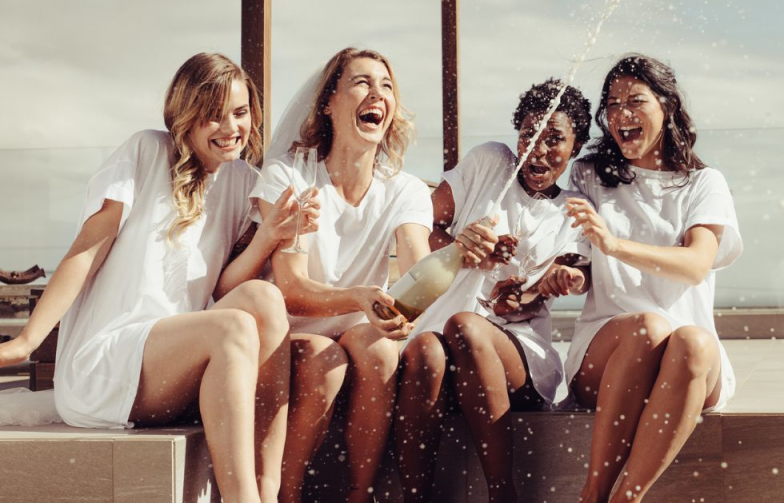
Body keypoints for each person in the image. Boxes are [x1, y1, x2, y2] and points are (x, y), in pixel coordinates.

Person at [0, 53, 308, 503]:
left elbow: (226, 287)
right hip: (106, 364)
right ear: (186, 117)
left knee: (263, 299)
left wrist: (271, 237)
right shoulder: (147, 150)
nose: (230, 128)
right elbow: (88, 248)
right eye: (213, 115)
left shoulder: (244, 180)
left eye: (239, 113)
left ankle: (270, 487)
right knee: (235, 325)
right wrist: (26, 342)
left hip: (173, 367)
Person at [395, 79, 593, 503]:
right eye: (528, 134)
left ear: (575, 148)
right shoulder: (491, 163)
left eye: (554, 139)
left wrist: (540, 287)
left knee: (466, 327)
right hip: (443, 339)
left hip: (515, 355)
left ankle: (503, 492)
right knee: (423, 352)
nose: (537, 150)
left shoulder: (573, 209)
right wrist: (460, 248)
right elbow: (420, 220)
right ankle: (414, 496)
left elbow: (562, 279)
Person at [250, 47, 433, 503]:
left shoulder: (405, 189)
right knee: (323, 361)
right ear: (328, 102)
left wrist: (423, 291)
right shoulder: (289, 174)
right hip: (290, 329)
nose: (378, 94)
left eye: (387, 86)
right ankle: (285, 495)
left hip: (359, 321)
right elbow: (290, 290)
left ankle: (360, 494)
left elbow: (416, 264)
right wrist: (360, 298)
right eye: (362, 82)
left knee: (380, 354)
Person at [564, 54, 743, 503]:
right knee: (648, 326)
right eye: (612, 103)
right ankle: (594, 492)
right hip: (608, 353)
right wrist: (565, 274)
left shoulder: (703, 183)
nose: (621, 113)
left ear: (667, 105)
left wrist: (615, 246)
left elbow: (697, 263)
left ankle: (628, 497)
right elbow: (580, 264)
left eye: (635, 101)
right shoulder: (590, 175)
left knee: (695, 340)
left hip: (686, 366)